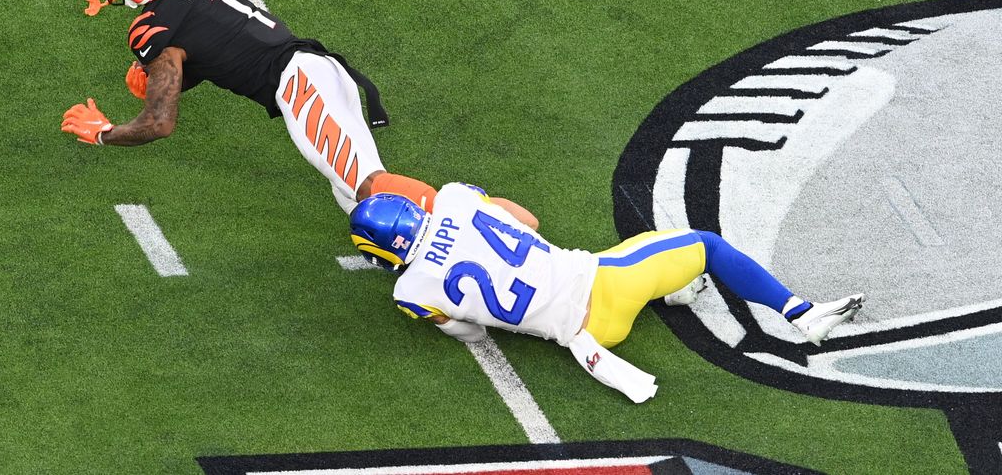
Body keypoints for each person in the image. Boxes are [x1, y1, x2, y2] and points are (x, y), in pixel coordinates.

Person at [349, 183, 865, 403]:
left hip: (588, 335)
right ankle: (801, 315)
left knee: (651, 258)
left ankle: (678, 291)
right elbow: (528, 221)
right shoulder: (455, 201)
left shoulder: (410, 291)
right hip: (608, 282)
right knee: (705, 244)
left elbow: (471, 335)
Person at [59, 0, 431, 213]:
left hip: (301, 87)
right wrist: (169, 77)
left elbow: (159, 123)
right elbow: (212, 46)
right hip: (316, 72)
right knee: (359, 202)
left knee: (368, 186)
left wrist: (104, 133)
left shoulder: (153, 29)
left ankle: (467, 218)